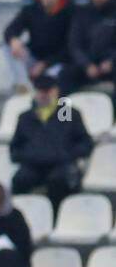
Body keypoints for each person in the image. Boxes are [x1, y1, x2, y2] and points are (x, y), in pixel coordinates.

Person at [10, 73, 93, 209]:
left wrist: (67, 154)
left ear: (56, 91)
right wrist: (30, 155)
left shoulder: (71, 114)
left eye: (47, 91)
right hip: (33, 165)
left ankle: (57, 217)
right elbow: (15, 147)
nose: (44, 95)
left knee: (59, 180)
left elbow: (85, 143)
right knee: (20, 179)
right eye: (41, 91)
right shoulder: (25, 117)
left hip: (61, 164)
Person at [4, 0, 73, 92]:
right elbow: (10, 30)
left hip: (58, 62)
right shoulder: (32, 9)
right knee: (8, 47)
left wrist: (45, 64)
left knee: (61, 74)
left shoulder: (69, 12)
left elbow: (71, 46)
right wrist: (13, 40)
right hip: (35, 57)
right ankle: (23, 86)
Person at [62, 0, 116, 93]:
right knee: (66, 74)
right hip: (88, 65)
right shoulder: (82, 13)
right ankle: (65, 111)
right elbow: (74, 44)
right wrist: (86, 65)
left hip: (111, 64)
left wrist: (111, 61)